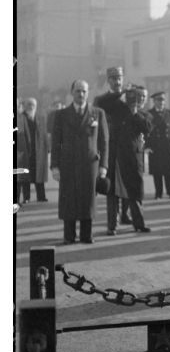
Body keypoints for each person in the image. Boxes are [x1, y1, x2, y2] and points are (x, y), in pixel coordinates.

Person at [51, 80, 109, 244]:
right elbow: (55, 142)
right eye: (77, 91)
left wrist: (103, 166)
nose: (81, 94)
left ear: (88, 92)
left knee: (87, 199)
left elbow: (104, 142)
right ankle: (69, 236)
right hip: (67, 164)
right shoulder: (61, 115)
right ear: (72, 93)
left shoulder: (97, 113)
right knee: (68, 199)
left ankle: (86, 235)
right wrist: (55, 166)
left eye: (84, 91)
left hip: (89, 165)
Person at [94, 66, 130, 236]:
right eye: (113, 78)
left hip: (128, 149)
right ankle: (112, 224)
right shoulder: (101, 99)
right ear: (108, 81)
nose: (117, 81)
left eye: (119, 78)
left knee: (128, 184)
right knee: (112, 188)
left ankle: (125, 215)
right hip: (111, 149)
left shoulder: (129, 96)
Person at [115, 86, 152, 232]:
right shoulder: (121, 112)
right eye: (138, 96)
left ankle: (137, 221)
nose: (140, 99)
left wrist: (135, 113)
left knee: (136, 188)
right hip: (121, 155)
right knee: (127, 189)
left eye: (143, 97)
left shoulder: (144, 114)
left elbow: (147, 128)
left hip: (136, 157)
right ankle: (130, 218)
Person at [146, 91, 170, 199]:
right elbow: (146, 132)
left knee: (169, 171)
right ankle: (158, 192)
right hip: (155, 147)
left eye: (163, 100)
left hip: (168, 146)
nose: (161, 102)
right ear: (154, 101)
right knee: (157, 172)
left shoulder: (169, 113)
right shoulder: (149, 114)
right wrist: (147, 146)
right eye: (158, 100)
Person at [16, 98, 50, 204]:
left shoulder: (40, 118)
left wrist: (47, 148)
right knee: (25, 176)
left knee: (39, 175)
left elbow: (44, 135)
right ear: (25, 106)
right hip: (25, 150)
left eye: (33, 105)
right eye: (29, 104)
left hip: (38, 151)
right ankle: (26, 197)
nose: (31, 107)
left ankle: (41, 196)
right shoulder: (21, 118)